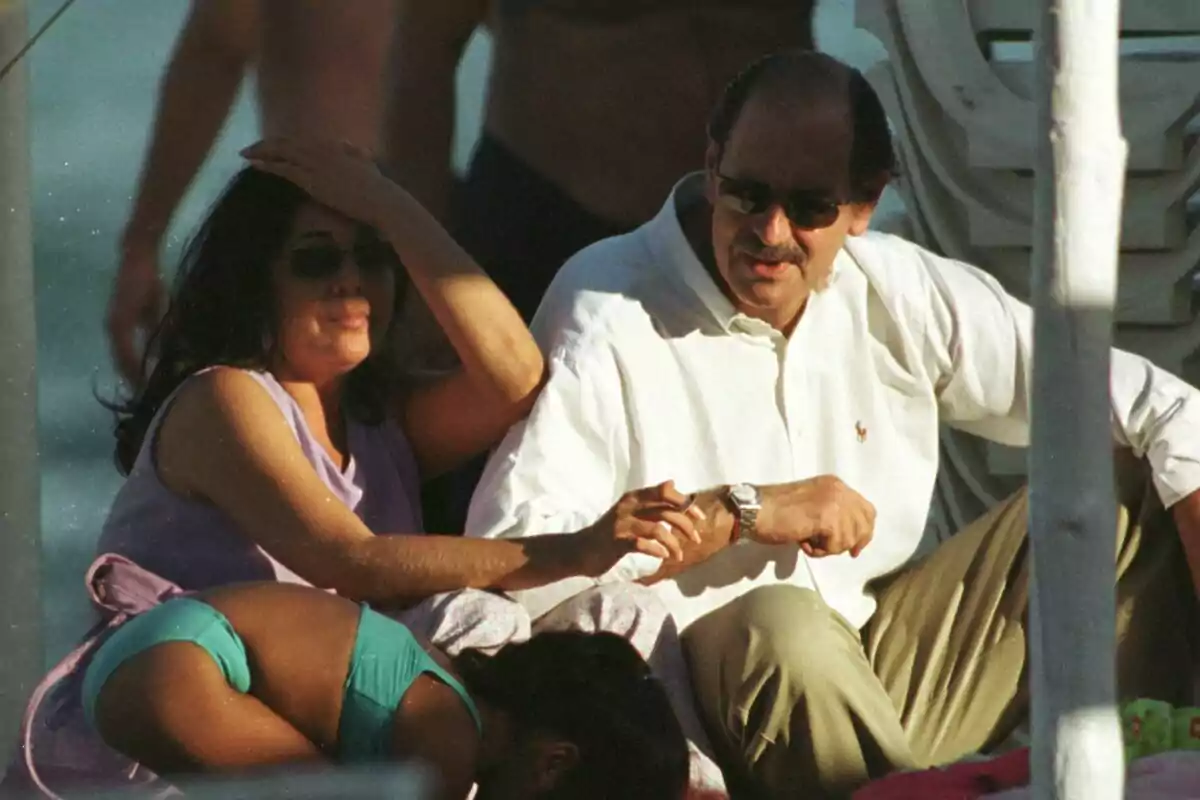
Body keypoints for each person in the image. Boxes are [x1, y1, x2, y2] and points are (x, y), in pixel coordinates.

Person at [464, 50, 1200, 798]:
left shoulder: (894, 284)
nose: (772, 232)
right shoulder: (608, 303)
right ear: (712, 167)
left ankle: (1141, 776)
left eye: (811, 207)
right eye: (747, 194)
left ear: (863, 206)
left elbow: (1162, 407)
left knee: (1135, 485)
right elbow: (510, 567)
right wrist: (741, 511)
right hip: (693, 717)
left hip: (871, 669)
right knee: (782, 627)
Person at [98, 137, 699, 632]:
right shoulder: (223, 398)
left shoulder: (379, 419)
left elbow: (515, 379)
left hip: (339, 702)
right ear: (253, 280)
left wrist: (393, 209)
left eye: (372, 257)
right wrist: (571, 551)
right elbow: (349, 561)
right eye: (316, 260)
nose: (351, 281)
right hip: (191, 733)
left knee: (617, 612)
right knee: (476, 620)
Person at [387, 0, 819, 534]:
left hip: (754, 231)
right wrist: (414, 274)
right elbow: (422, 45)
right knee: (503, 516)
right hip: (543, 219)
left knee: (755, 477)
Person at [82, 581, 691, 800]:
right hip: (177, 669)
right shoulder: (446, 753)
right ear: (553, 765)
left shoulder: (446, 682)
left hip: (167, 648)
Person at [108, 0, 397, 386]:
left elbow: (216, 49)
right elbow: (216, 50)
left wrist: (141, 246)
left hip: (321, 236)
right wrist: (141, 244)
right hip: (393, 231)